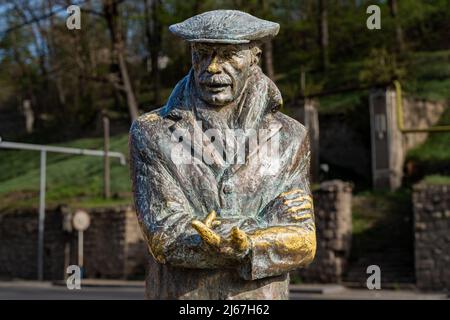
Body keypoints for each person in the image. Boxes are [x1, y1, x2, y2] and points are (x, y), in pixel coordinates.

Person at [129, 10, 316, 299]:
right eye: (201, 54)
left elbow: (304, 240)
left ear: (254, 57)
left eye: (229, 55)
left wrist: (245, 245)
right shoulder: (152, 133)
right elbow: (165, 235)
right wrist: (261, 230)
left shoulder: (291, 136)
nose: (212, 67)